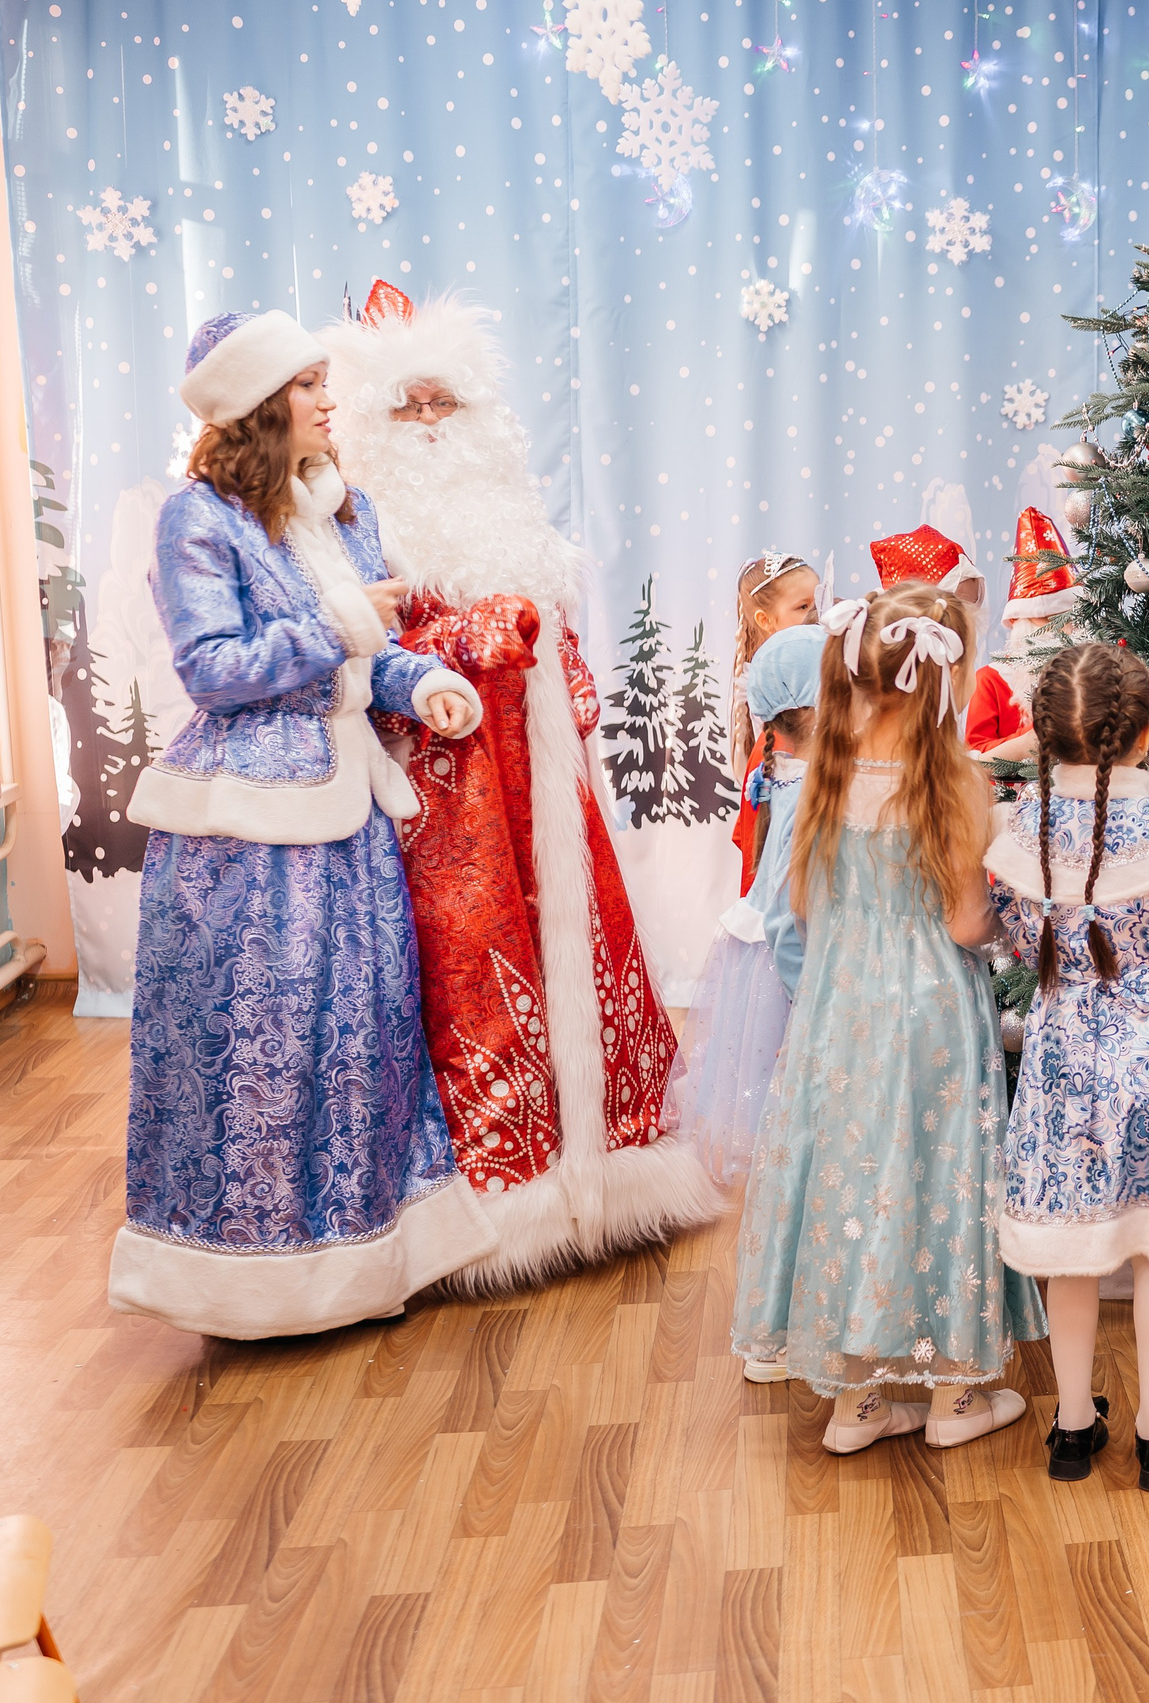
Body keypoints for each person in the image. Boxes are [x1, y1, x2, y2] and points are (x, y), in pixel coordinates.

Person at [319, 283, 716, 1289]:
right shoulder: (356, 518)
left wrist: (563, 676)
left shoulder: (509, 503)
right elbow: (373, 642)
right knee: (470, 969)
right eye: (407, 405)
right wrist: (466, 639)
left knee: (581, 943)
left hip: (541, 772)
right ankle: (498, 1194)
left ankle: (614, 1169)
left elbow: (546, 618)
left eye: (442, 401)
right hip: (441, 779)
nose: (427, 422)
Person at [110, 309, 497, 1338]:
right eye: (311, 383)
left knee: (361, 1038)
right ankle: (250, 1281)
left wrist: (422, 684)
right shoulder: (197, 519)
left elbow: (373, 650)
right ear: (258, 402)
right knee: (262, 1049)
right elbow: (213, 670)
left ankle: (361, 1261)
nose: (332, 399)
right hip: (252, 835)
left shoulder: (338, 507)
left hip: (348, 818)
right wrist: (343, 623)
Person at [730, 582, 1047, 1450]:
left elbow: (801, 906)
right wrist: (1013, 914)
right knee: (941, 1179)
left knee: (851, 1178)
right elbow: (966, 924)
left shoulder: (822, 774)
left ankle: (857, 1403)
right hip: (933, 1009)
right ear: (947, 678)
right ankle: (954, 1399)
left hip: (841, 1007)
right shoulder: (955, 781)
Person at [986, 643, 1149, 1491]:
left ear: (1044, 735)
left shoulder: (1018, 830)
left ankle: (1071, 1425)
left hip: (1062, 1045)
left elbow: (1018, 938)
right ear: (1146, 731)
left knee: (1070, 1250)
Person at [666, 623, 827, 1185]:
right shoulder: (810, 789)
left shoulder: (779, 772)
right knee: (787, 1087)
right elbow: (786, 904)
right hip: (788, 961)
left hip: (768, 952)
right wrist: (809, 992)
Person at [726, 553, 822, 888]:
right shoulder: (774, 685)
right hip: (785, 759)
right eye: (803, 606)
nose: (816, 614)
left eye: (818, 601)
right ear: (765, 620)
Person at [964, 507, 1082, 758]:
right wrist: (1029, 740)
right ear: (1020, 621)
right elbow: (975, 754)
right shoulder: (990, 680)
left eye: (1067, 618)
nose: (1060, 629)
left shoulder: (1086, 678)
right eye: (1047, 617)